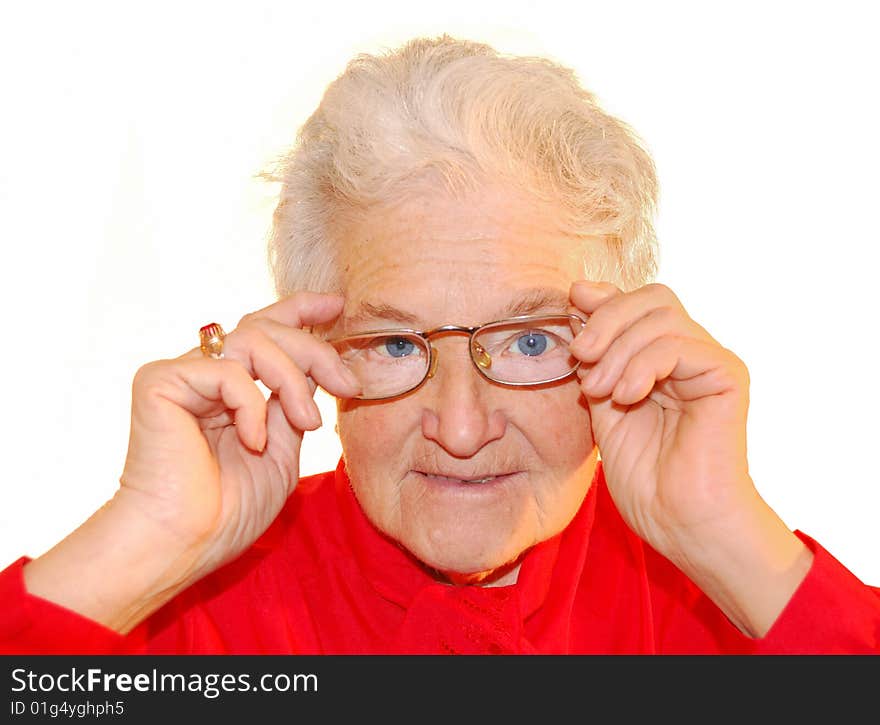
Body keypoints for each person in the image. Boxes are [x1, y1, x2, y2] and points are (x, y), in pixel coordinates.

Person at [2, 35, 877, 655]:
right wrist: (144, 541)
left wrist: (733, 543)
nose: (460, 429)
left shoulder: (725, 597)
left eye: (531, 338)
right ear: (310, 355)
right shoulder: (181, 613)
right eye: (392, 344)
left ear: (623, 345)